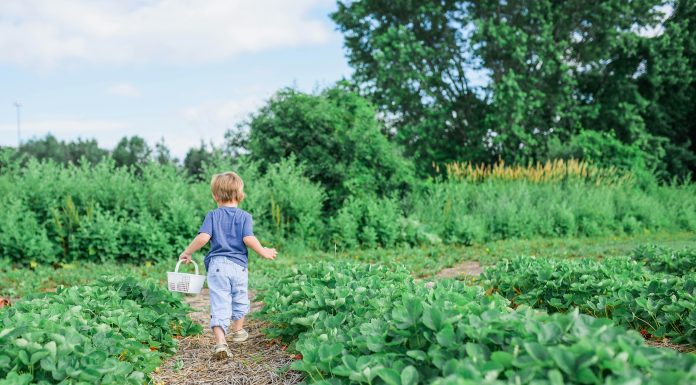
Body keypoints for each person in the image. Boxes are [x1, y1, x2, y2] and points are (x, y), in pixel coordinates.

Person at [178, 171, 277, 359]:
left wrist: (188, 252)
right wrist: (263, 251)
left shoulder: (213, 215)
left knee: (220, 302)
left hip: (217, 266)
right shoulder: (244, 216)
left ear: (215, 196)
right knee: (240, 297)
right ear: (240, 194)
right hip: (238, 266)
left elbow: (203, 238)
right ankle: (238, 330)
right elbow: (248, 238)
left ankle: (221, 343)